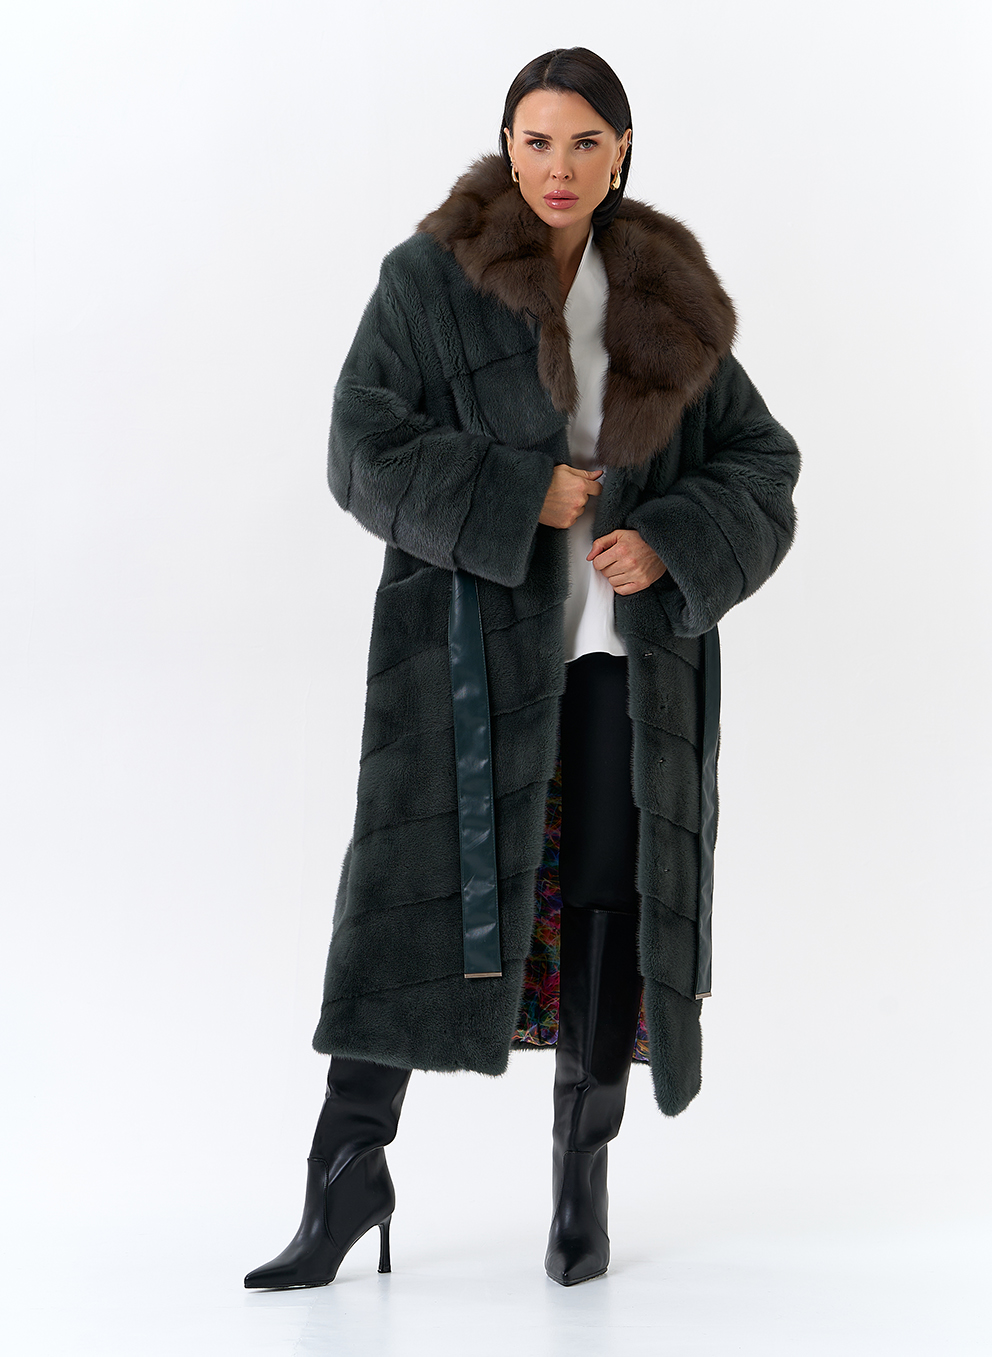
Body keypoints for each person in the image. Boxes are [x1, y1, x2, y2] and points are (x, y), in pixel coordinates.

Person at [245, 46, 800, 1291]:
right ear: (506, 145)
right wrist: (514, 493)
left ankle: (578, 1185)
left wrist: (668, 541)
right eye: (536, 140)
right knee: (406, 909)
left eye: (584, 143)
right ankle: (344, 1178)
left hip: (619, 666)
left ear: (621, 153)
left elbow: (761, 463)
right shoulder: (430, 280)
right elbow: (358, 446)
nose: (558, 167)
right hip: (461, 663)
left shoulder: (664, 297)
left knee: (604, 906)